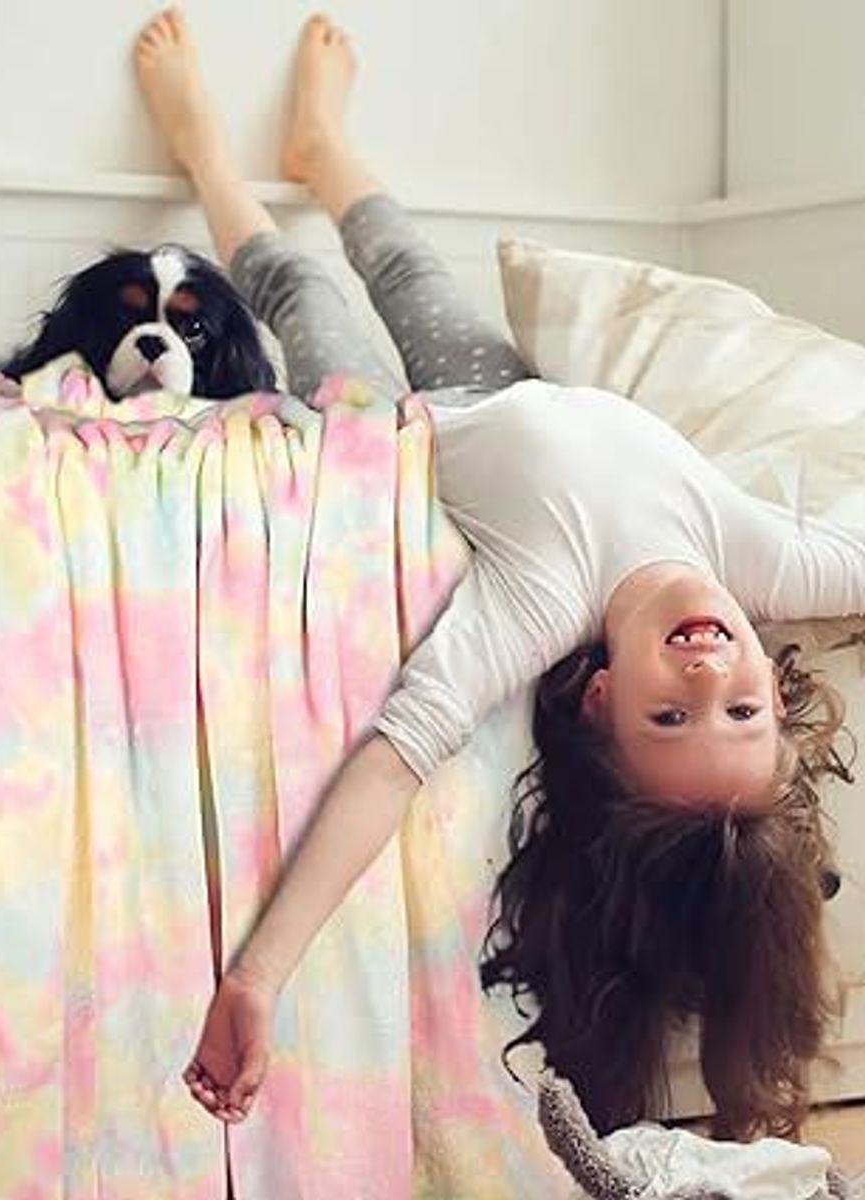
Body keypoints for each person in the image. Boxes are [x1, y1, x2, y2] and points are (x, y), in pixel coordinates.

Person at [133, 9, 864, 1139]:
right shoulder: (756, 558)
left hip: (400, 428)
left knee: (308, 297)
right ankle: (324, 156)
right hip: (512, 378)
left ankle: (208, 160)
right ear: (774, 673)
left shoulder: (539, 603)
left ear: (601, 699)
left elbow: (392, 764)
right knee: (409, 261)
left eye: (675, 714)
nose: (709, 665)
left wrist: (260, 973)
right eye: (743, 706)